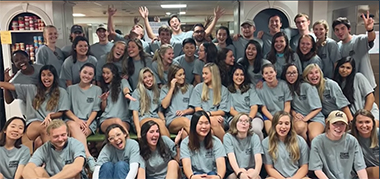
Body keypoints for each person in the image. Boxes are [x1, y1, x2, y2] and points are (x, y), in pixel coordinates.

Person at [0, 65, 70, 143]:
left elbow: (62, 111)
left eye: (49, 75)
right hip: (33, 124)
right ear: (40, 78)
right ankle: (54, 154)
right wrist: (6, 82)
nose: (46, 78)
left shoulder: (62, 92)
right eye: (43, 75)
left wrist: (50, 115)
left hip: (54, 124)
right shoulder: (32, 89)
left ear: (54, 77)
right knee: (45, 128)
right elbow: (10, 86)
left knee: (39, 142)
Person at [64, 63, 101, 172]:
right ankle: (88, 157)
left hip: (89, 122)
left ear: (93, 76)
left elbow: (95, 110)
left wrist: (87, 123)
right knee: (73, 127)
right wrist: (77, 120)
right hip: (73, 120)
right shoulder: (70, 89)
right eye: (85, 72)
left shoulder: (97, 90)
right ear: (80, 73)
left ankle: (78, 164)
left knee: (78, 136)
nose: (87, 76)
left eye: (90, 74)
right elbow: (66, 109)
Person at [309, 110, 367, 179]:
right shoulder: (317, 142)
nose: (338, 127)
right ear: (328, 124)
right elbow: (317, 169)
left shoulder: (352, 141)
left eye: (342, 124)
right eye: (335, 123)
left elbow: (360, 168)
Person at [22, 120, 86, 179]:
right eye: (56, 136)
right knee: (38, 171)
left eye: (63, 135)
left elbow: (78, 167)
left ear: (67, 133)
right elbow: (26, 170)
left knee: (68, 168)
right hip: (51, 176)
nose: (60, 139)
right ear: (48, 136)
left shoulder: (76, 144)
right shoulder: (44, 148)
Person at [333, 11, 377, 89]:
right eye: (337, 30)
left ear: (349, 29)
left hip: (367, 85)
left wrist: (370, 30)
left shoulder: (359, 40)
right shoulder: (337, 46)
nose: (340, 32)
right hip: (350, 87)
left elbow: (371, 38)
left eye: (342, 28)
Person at [281, 63, 325, 141]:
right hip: (299, 116)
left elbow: (318, 108)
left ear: (298, 74)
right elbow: (288, 105)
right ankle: (305, 150)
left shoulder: (306, 86)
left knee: (314, 137)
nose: (292, 75)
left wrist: (305, 119)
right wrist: (294, 113)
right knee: (299, 128)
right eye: (289, 73)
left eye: (294, 73)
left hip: (315, 117)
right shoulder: (285, 87)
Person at [262, 111, 309, 179]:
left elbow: (304, 166)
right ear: (274, 124)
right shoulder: (266, 142)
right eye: (280, 123)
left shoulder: (300, 141)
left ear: (290, 125)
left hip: (297, 177)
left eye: (287, 124)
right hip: (276, 177)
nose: (283, 127)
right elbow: (269, 168)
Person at [333, 56, 379, 126]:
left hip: (368, 112)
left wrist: (364, 116)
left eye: (348, 68)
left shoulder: (358, 77)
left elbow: (371, 97)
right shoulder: (335, 83)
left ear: (352, 69)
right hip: (352, 117)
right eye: (342, 67)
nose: (344, 70)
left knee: (370, 127)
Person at [189, 63, 230, 141]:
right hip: (202, 117)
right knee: (211, 131)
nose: (203, 76)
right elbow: (197, 109)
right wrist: (207, 116)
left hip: (219, 118)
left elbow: (222, 111)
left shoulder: (224, 90)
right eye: (203, 73)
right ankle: (227, 149)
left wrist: (210, 114)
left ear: (213, 74)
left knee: (215, 122)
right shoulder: (198, 88)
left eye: (206, 73)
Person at [180, 111, 226, 179]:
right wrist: (192, 176)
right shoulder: (185, 143)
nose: (204, 127)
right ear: (194, 125)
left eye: (206, 123)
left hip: (212, 175)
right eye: (200, 123)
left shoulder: (216, 142)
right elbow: (186, 166)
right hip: (195, 175)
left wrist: (218, 177)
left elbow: (221, 164)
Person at [129, 67, 170, 139]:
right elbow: (135, 114)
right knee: (158, 123)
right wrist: (138, 132)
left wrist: (163, 121)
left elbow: (159, 111)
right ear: (142, 80)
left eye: (150, 76)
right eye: (145, 78)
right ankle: (171, 148)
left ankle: (168, 147)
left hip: (155, 118)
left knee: (160, 124)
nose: (148, 79)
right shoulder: (137, 92)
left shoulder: (157, 92)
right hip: (141, 119)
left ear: (153, 77)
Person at [227, 65, 264, 140]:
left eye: (242, 75)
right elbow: (231, 110)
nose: (239, 77)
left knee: (256, 129)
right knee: (237, 130)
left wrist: (249, 119)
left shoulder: (250, 88)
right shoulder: (227, 91)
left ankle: (260, 151)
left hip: (253, 117)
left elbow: (254, 107)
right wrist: (242, 119)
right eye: (236, 74)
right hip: (235, 118)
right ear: (232, 76)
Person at [224, 113, 263, 179]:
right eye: (240, 121)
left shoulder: (254, 137)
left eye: (246, 121)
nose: (244, 123)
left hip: (251, 170)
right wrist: (239, 173)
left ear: (249, 125)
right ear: (235, 124)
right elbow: (231, 158)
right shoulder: (228, 137)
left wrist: (256, 172)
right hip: (234, 171)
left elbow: (258, 157)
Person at [98, 63, 135, 133]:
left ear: (113, 74)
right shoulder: (103, 87)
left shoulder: (122, 82)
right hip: (106, 120)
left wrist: (127, 94)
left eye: (108, 73)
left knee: (119, 130)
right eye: (103, 73)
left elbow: (126, 89)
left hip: (123, 120)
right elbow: (103, 109)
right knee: (116, 121)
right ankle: (129, 140)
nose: (105, 75)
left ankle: (128, 141)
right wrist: (104, 100)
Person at [256, 63, 292, 134]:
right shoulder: (260, 89)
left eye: (271, 72)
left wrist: (283, 118)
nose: (269, 75)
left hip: (284, 114)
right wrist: (275, 120)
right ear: (263, 75)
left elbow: (287, 104)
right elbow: (263, 108)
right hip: (269, 116)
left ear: (275, 72)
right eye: (266, 73)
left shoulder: (284, 85)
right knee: (271, 132)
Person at [4, 50, 42, 114]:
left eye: (22, 58)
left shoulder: (41, 68)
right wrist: (6, 84)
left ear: (28, 58)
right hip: (31, 112)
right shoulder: (16, 80)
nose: (20, 61)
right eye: (16, 60)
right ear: (14, 64)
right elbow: (8, 101)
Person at [160, 64, 194, 136]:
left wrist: (184, 111)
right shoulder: (165, 89)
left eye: (183, 74)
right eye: (180, 75)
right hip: (173, 120)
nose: (183, 77)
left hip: (188, 118)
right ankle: (199, 144)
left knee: (184, 133)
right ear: (173, 77)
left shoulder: (190, 88)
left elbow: (193, 108)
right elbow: (164, 105)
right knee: (185, 122)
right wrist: (172, 88)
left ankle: (188, 147)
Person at [157, 7, 223, 43]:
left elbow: (205, 33)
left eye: (176, 21)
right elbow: (151, 35)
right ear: (170, 26)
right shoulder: (168, 37)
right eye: (172, 22)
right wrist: (146, 18)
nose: (174, 23)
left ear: (180, 23)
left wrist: (215, 19)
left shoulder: (189, 34)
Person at [351, 109, 379, 179]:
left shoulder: (378, 133)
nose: (364, 125)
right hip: (360, 172)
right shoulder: (349, 137)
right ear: (355, 124)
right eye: (360, 122)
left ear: (373, 123)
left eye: (367, 122)